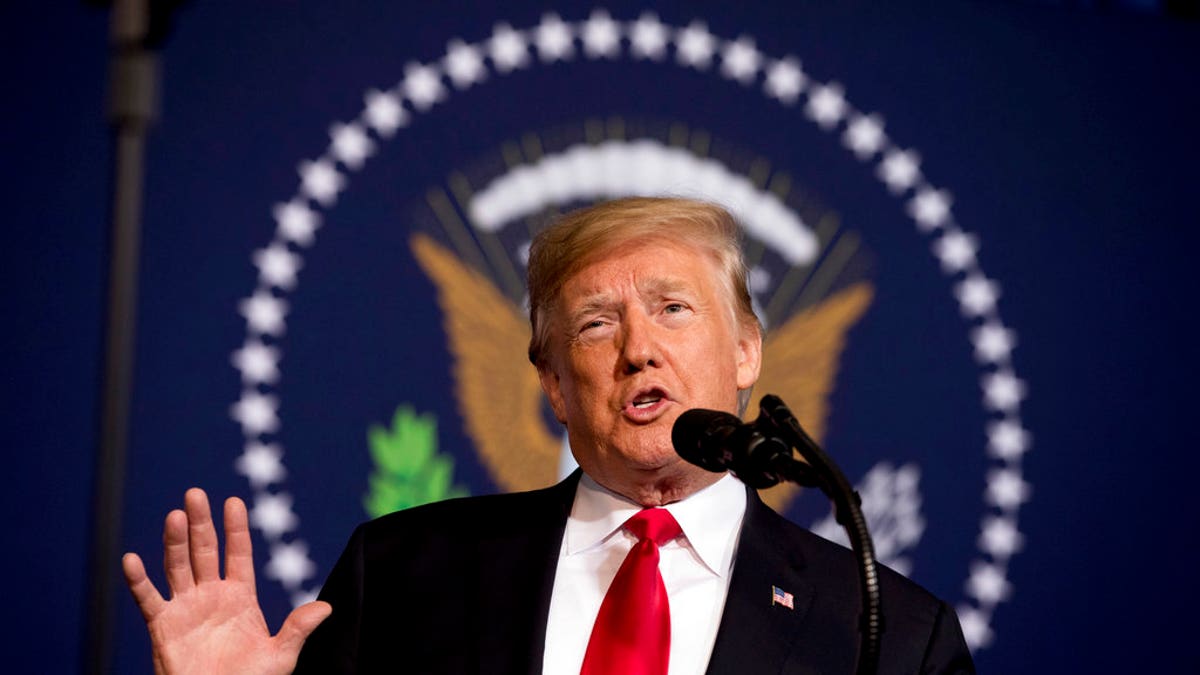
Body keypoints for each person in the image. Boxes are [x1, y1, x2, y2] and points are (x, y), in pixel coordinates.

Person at [123, 197, 975, 674]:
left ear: (747, 347)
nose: (639, 347)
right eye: (597, 325)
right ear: (554, 385)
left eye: (673, 309)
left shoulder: (894, 634)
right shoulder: (400, 575)